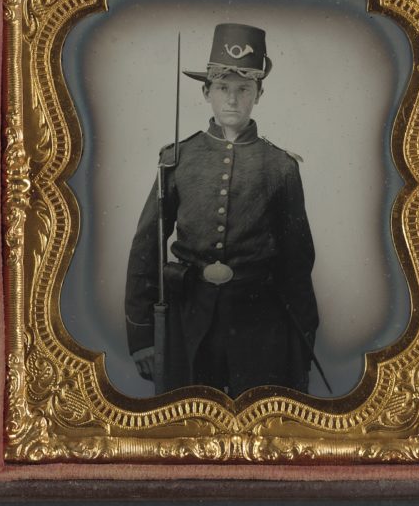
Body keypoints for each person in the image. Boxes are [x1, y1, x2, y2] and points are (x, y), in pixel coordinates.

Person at [125, 23, 319, 398]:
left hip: (262, 328)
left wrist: (301, 346)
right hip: (188, 325)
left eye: (244, 89)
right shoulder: (177, 159)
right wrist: (142, 337)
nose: (233, 100)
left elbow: (298, 265)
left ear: (259, 94)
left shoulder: (280, 166)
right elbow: (144, 251)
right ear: (206, 92)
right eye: (223, 88)